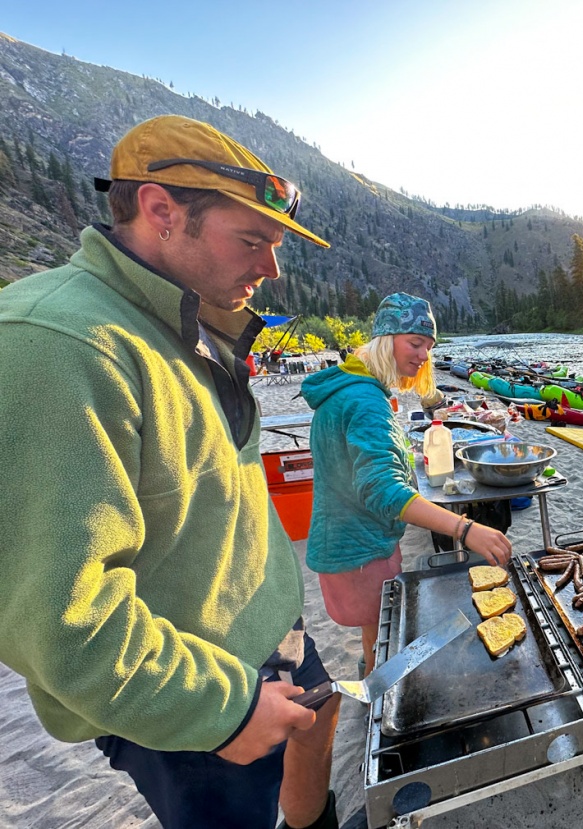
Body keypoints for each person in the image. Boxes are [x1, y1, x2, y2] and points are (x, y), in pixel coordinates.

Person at [0, 115, 341, 829]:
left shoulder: (189, 323)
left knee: (313, 790)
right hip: (189, 701)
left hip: (272, 645)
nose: (271, 268)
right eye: (253, 240)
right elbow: (64, 622)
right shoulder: (59, 345)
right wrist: (224, 710)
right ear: (160, 211)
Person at [301, 292, 512, 674]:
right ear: (385, 339)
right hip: (360, 554)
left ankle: (372, 698)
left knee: (375, 641)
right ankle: (377, 712)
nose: (423, 355)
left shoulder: (348, 389)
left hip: (344, 544)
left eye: (429, 347)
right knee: (381, 646)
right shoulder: (365, 400)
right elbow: (383, 491)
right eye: (415, 343)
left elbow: (362, 470)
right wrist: (465, 528)